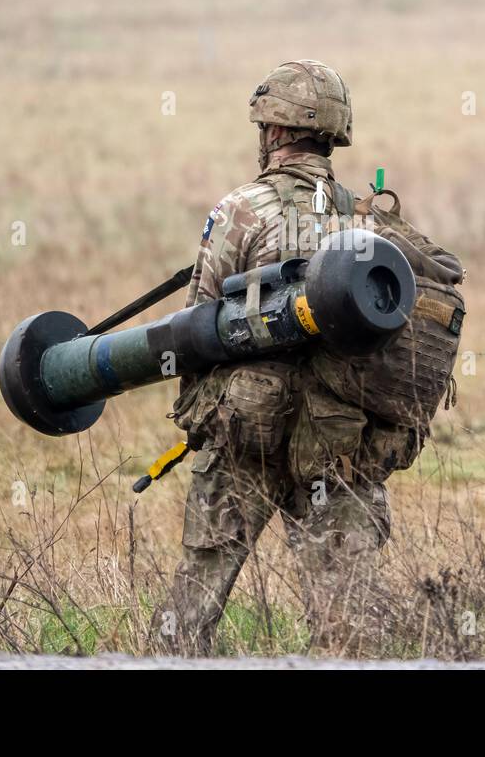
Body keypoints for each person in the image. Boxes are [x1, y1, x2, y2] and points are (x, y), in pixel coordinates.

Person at [150, 59, 464, 656]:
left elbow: (195, 326)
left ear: (271, 132)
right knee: (350, 624)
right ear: (333, 136)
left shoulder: (241, 209)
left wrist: (199, 413)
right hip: (340, 444)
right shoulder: (374, 222)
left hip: (248, 432)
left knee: (192, 608)